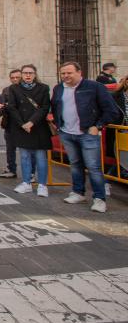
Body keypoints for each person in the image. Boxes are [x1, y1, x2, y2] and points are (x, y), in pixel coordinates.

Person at [51, 61, 120, 213]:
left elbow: (111, 110)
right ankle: (78, 192)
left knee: (94, 167)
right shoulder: (58, 88)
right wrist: (57, 124)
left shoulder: (94, 87)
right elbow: (55, 107)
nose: (66, 76)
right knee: (75, 164)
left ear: (79, 72)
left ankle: (99, 199)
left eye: (69, 72)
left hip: (87, 133)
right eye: (63, 73)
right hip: (67, 132)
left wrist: (98, 126)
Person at [8, 65, 53, 198]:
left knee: (40, 157)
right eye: (25, 73)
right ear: (21, 74)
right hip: (22, 127)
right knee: (24, 156)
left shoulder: (43, 88)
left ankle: (42, 185)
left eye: (30, 73)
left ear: (35, 74)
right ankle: (26, 182)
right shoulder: (14, 88)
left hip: (38, 126)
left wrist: (31, 122)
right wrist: (22, 124)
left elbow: (45, 107)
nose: (28, 75)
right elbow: (12, 107)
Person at [0, 69, 23, 178]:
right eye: (12, 77)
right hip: (9, 123)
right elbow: (3, 106)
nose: (15, 79)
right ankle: (11, 169)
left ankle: (31, 173)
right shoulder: (6, 90)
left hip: (24, 124)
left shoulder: (27, 90)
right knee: (10, 148)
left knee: (26, 150)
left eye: (17, 77)